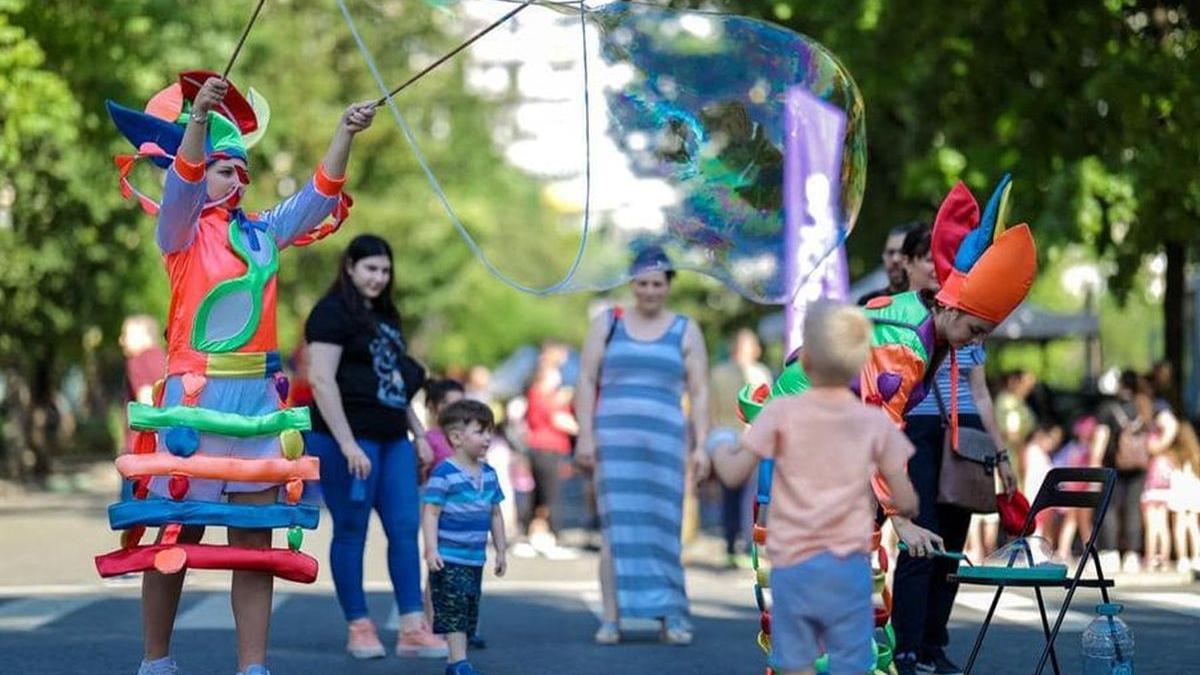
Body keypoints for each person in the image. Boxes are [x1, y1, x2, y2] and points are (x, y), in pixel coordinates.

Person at [104, 70, 374, 675]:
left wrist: (344, 133)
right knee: (176, 537)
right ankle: (157, 662)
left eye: (241, 170)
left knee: (254, 543)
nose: (238, 178)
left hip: (257, 403)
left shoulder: (262, 235)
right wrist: (197, 119)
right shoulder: (179, 231)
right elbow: (183, 181)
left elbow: (319, 195)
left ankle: (254, 668)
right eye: (227, 168)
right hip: (193, 403)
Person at [734, 176, 1037, 674]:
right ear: (949, 305)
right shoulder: (906, 343)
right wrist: (900, 517)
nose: (972, 341)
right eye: (975, 329)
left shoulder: (926, 330)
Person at [713, 302, 920, 675]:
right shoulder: (873, 424)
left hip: (795, 565)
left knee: (797, 661)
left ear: (805, 361)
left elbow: (731, 473)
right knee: (850, 661)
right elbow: (903, 497)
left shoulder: (779, 414)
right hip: (849, 568)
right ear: (862, 366)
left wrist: (714, 446)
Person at [304, 234, 446, 660]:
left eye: (385, 270)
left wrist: (419, 434)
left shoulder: (386, 317)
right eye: (370, 269)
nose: (379, 278)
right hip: (346, 439)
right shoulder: (330, 314)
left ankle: (411, 628)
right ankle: (359, 626)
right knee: (351, 530)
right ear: (349, 267)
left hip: (392, 439)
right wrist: (347, 444)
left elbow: (396, 385)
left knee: (405, 528)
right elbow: (321, 381)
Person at [885, 222, 1017, 675]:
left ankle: (933, 644)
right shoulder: (909, 323)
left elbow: (980, 392)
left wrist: (1000, 452)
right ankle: (906, 646)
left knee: (952, 546)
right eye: (926, 259)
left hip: (966, 435)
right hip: (917, 429)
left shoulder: (972, 323)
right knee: (920, 539)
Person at [574, 246, 712, 646]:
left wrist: (701, 445)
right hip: (613, 443)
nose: (649, 290)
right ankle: (611, 619)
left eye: (657, 283)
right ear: (632, 283)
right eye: (642, 283)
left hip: (666, 444)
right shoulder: (608, 323)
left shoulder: (686, 328)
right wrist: (584, 435)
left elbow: (700, 391)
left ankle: (671, 616)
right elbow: (585, 379)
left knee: (664, 528)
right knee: (616, 529)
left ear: (668, 285)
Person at [423, 400, 508, 675]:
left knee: (470, 606)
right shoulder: (444, 474)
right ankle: (457, 662)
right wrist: (432, 550)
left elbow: (495, 514)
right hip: (449, 557)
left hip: (475, 558)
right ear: (457, 438)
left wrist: (501, 551)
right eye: (480, 431)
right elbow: (431, 513)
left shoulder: (490, 475)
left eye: (489, 431)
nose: (487, 438)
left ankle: (460, 655)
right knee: (455, 608)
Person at [1092, 370, 1178, 573]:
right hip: (1139, 465)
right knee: (1133, 508)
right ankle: (1131, 555)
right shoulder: (1145, 406)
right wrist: (1155, 448)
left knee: (1110, 508)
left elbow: (1101, 439)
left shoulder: (1108, 408)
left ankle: (1111, 553)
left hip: (1112, 464)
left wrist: (1095, 463)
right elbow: (1171, 425)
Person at [707, 328, 773, 568]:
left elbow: (710, 410)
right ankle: (748, 544)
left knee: (728, 494)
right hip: (751, 435)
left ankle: (730, 544)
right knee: (752, 495)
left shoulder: (716, 373)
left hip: (723, 437)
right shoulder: (762, 373)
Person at [522, 359, 579, 558]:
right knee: (550, 495)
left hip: (542, 448)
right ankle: (552, 535)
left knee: (540, 495)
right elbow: (559, 420)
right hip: (546, 449)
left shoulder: (541, 395)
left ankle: (536, 533)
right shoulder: (543, 395)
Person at [120, 315, 167, 500]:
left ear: (143, 334)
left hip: (140, 450)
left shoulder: (138, 360)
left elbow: (146, 400)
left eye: (125, 334)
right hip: (167, 450)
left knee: (132, 518)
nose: (121, 340)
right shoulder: (166, 359)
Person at [857, 222, 919, 305]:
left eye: (902, 252)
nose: (895, 259)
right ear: (883, 256)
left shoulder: (929, 303)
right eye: (890, 252)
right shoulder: (868, 303)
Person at [1167, 420, 1200, 572]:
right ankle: (1197, 558)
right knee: (1193, 526)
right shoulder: (1196, 454)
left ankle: (1182, 559)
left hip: (1178, 491)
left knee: (1179, 526)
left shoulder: (1173, 454)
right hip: (1193, 491)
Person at [425, 378, 467, 470]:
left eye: (461, 405)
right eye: (450, 405)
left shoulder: (469, 436)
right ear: (432, 406)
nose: (456, 411)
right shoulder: (426, 441)